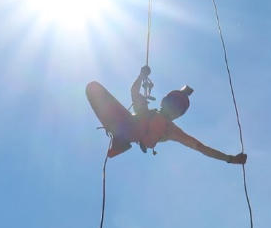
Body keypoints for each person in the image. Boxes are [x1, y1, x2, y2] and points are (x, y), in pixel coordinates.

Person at [85, 66, 247, 164]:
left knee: (93, 88)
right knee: (93, 88)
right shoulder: (168, 128)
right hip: (127, 129)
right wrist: (230, 159)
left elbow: (200, 147)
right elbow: (201, 148)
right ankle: (120, 139)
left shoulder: (158, 121)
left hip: (126, 128)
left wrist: (142, 76)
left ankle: (120, 139)